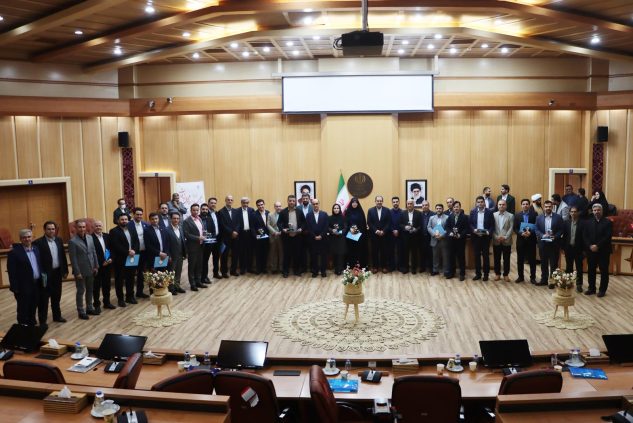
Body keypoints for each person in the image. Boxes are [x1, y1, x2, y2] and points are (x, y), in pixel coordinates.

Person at [7, 229, 46, 327]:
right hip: (23, 286)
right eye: (24, 237)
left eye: (29, 237)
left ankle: (32, 326)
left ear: (32, 238)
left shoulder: (36, 249)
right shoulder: (14, 253)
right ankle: (22, 328)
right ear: (20, 239)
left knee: (33, 306)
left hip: (36, 284)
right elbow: (12, 272)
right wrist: (15, 288)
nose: (27, 239)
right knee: (23, 309)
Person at [34, 221, 68, 323]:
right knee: (44, 299)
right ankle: (43, 320)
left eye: (53, 229)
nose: (51, 231)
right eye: (49, 229)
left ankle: (57, 316)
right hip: (45, 275)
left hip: (57, 273)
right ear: (44, 230)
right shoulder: (38, 242)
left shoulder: (59, 240)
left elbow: (62, 256)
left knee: (56, 296)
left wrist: (65, 270)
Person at [68, 219, 99, 320]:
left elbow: (93, 252)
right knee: (81, 291)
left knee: (90, 289)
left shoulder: (90, 237)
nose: (82, 229)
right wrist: (77, 272)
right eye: (80, 227)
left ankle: (89, 308)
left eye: (83, 227)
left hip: (91, 268)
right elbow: (73, 259)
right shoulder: (72, 241)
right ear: (76, 228)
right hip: (80, 271)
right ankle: (81, 311)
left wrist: (96, 266)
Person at [109, 213, 139, 306]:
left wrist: (134, 250)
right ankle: (120, 299)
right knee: (119, 280)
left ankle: (130, 297)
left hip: (132, 257)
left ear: (128, 220)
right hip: (120, 259)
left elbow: (136, 241)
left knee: (131, 278)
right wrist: (127, 252)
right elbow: (115, 245)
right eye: (122, 219)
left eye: (126, 219)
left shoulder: (132, 229)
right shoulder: (113, 231)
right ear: (118, 221)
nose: (124, 221)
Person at [583, 204, 612, 297]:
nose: (596, 212)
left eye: (598, 210)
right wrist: (590, 246)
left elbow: (607, 237)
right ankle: (591, 289)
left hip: (603, 251)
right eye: (595, 210)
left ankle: (602, 290)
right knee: (591, 270)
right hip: (591, 251)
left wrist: (597, 246)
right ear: (592, 211)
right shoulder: (588, 222)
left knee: (604, 271)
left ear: (602, 211)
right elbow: (585, 236)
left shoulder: (608, 222)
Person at [535, 200, 564, 286]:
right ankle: (544, 280)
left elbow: (561, 230)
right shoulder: (538, 217)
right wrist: (542, 235)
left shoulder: (558, 217)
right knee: (543, 263)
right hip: (543, 244)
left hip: (554, 244)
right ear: (544, 207)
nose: (548, 208)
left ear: (552, 207)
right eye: (546, 206)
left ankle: (552, 281)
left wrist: (555, 236)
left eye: (549, 207)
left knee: (553, 264)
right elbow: (536, 229)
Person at [278, 194, 306, 277]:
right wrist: (283, 229)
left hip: (297, 236)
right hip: (287, 237)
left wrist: (301, 228)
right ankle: (285, 271)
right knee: (286, 255)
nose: (292, 202)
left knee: (297, 254)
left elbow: (304, 222)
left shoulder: (299, 211)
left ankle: (296, 271)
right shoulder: (283, 212)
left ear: (295, 202)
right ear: (287, 201)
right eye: (290, 201)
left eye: (293, 201)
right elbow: (279, 223)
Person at [469, 196, 495, 281]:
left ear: (484, 203)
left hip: (485, 238)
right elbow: (470, 224)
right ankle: (478, 274)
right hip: (476, 237)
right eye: (478, 202)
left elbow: (492, 225)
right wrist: (474, 230)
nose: (480, 203)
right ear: (476, 203)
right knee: (476, 256)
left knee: (485, 256)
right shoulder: (473, 211)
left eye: (481, 202)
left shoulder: (489, 212)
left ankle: (486, 274)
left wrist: (488, 232)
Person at [91, 220, 115, 311]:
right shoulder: (90, 238)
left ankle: (107, 302)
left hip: (108, 264)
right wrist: (101, 262)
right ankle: (96, 305)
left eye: (100, 226)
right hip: (97, 266)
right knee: (96, 286)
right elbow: (91, 253)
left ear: (102, 226)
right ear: (93, 227)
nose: (98, 227)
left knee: (107, 285)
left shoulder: (107, 236)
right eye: (96, 226)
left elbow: (111, 249)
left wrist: (111, 258)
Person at [183, 203, 206, 291]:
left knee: (199, 265)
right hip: (192, 247)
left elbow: (202, 230)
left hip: (201, 245)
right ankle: (192, 284)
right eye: (194, 210)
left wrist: (204, 235)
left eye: (197, 210)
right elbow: (187, 234)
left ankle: (198, 281)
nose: (196, 212)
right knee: (192, 266)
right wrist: (198, 238)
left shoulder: (199, 219)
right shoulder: (187, 221)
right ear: (190, 211)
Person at [513, 199, 538, 283]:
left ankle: (533, 278)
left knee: (532, 260)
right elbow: (515, 228)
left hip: (531, 240)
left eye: (527, 204)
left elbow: (536, 226)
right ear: (521, 205)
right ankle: (520, 277)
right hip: (521, 240)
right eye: (523, 204)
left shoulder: (534, 214)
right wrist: (521, 233)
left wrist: (531, 232)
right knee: (520, 260)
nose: (525, 205)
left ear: (529, 205)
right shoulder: (517, 215)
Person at [128, 207, 150, 298]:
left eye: (141, 214)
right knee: (131, 274)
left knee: (141, 273)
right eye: (137, 214)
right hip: (133, 254)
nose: (139, 216)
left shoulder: (146, 224)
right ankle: (130, 295)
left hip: (143, 253)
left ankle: (140, 292)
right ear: (133, 215)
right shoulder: (128, 225)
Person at [445, 201, 469, 281]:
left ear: (460, 207)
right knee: (451, 257)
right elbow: (447, 227)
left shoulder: (465, 217)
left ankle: (462, 274)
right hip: (451, 240)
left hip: (460, 240)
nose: (456, 208)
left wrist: (460, 235)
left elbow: (466, 228)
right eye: (454, 207)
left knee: (461, 257)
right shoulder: (450, 216)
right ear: (453, 208)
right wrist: (450, 233)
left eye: (457, 207)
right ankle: (452, 272)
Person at [218, 195, 241, 277]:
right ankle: (224, 272)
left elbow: (238, 223)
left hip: (235, 236)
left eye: (231, 200)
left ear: (233, 201)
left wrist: (236, 231)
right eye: (228, 199)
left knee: (235, 254)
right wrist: (231, 232)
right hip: (226, 237)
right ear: (225, 201)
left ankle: (233, 270)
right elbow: (222, 225)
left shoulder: (236, 211)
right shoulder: (221, 212)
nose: (230, 201)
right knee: (224, 255)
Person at [367, 195, 391, 273]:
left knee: (384, 251)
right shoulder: (370, 210)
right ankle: (375, 267)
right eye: (378, 201)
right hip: (374, 235)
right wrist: (376, 231)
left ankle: (384, 267)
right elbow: (369, 222)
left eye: (380, 201)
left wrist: (383, 231)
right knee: (374, 252)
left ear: (382, 201)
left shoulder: (387, 210)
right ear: (375, 201)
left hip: (384, 235)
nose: (379, 202)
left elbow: (389, 222)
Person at [563, 206, 584, 293]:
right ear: (569, 213)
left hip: (579, 249)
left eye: (575, 211)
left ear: (578, 213)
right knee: (569, 267)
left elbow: (584, 237)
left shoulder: (583, 223)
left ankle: (579, 284)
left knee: (579, 268)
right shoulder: (566, 223)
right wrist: (563, 247)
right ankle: (569, 283)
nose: (573, 213)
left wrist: (584, 250)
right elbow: (564, 236)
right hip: (568, 248)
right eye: (571, 212)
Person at [305, 198, 329, 277]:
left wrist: (321, 235)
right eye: (314, 204)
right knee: (313, 256)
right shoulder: (308, 215)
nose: (315, 205)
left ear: (319, 204)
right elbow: (308, 227)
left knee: (323, 256)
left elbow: (326, 226)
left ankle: (323, 271)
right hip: (313, 239)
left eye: (316, 203)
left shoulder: (324, 214)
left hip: (323, 239)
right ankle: (315, 271)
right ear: (312, 205)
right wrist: (314, 236)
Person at [164, 212, 186, 294]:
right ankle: (171, 288)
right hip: (172, 255)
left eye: (177, 218)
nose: (176, 220)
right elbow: (165, 244)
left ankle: (177, 286)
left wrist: (185, 253)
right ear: (171, 219)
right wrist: (168, 255)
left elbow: (182, 241)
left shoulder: (180, 228)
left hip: (180, 254)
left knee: (178, 271)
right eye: (174, 218)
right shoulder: (167, 230)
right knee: (171, 272)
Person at [398, 199, 422, 274]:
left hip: (415, 236)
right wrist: (405, 227)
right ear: (406, 204)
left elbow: (421, 225)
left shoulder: (419, 213)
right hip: (405, 236)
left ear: (413, 204)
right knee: (405, 253)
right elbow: (400, 224)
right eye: (408, 204)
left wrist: (416, 229)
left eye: (411, 203)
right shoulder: (402, 213)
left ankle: (413, 268)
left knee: (414, 253)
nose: (409, 205)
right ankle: (406, 268)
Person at [492, 199, 514, 281]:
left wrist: (505, 237)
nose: (501, 206)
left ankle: (506, 274)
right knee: (496, 258)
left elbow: (511, 228)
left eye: (503, 204)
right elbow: (492, 227)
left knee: (506, 259)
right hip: (496, 240)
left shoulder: (510, 215)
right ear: (497, 205)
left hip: (506, 240)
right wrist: (496, 237)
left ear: (506, 206)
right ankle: (497, 274)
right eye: (500, 204)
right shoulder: (493, 215)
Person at [344, 197, 368, 268]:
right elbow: (345, 223)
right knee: (351, 250)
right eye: (353, 202)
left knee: (359, 250)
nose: (354, 204)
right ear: (351, 204)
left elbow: (363, 223)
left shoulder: (361, 212)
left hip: (359, 235)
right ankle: (351, 265)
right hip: (350, 235)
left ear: (358, 204)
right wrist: (351, 229)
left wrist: (358, 231)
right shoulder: (348, 212)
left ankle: (360, 265)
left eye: (356, 202)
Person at [427, 204, 449, 277]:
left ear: (443, 209)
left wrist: (442, 235)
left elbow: (448, 228)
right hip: (434, 239)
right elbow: (429, 227)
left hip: (443, 240)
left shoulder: (447, 217)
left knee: (445, 256)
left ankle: (446, 271)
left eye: (440, 208)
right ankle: (435, 270)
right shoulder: (431, 218)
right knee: (435, 256)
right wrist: (434, 234)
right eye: (437, 208)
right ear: (435, 209)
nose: (438, 210)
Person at [203, 198, 222, 280]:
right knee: (206, 258)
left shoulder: (217, 213)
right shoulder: (204, 214)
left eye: (214, 203)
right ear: (208, 204)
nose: (213, 204)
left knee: (216, 257)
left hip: (217, 239)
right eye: (211, 203)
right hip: (208, 239)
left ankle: (216, 273)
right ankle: (205, 276)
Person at [252, 199, 270, 274]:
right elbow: (252, 227)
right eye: (259, 205)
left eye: (262, 204)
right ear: (257, 206)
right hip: (258, 238)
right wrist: (255, 236)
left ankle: (264, 268)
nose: (260, 206)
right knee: (258, 254)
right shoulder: (254, 214)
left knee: (265, 253)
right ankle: (258, 269)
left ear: (264, 204)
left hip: (267, 237)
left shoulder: (268, 213)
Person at [328, 203, 347, 275]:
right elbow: (327, 227)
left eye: (337, 208)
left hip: (341, 238)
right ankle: (336, 268)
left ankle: (340, 269)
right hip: (333, 239)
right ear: (333, 209)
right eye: (335, 208)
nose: (336, 209)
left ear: (339, 209)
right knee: (335, 254)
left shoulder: (343, 217)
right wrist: (332, 230)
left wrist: (340, 232)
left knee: (340, 254)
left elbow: (345, 227)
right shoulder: (330, 218)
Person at [238, 197, 255, 274]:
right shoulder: (237, 211)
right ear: (241, 203)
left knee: (250, 251)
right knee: (241, 251)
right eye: (244, 203)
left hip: (250, 234)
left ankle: (249, 268)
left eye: (247, 203)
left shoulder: (251, 210)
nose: (245, 204)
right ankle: (242, 268)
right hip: (241, 234)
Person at [267, 201, 283, 274]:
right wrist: (274, 232)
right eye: (277, 206)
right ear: (274, 207)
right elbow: (268, 225)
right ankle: (273, 268)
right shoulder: (270, 214)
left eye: (279, 206)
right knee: (273, 253)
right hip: (273, 236)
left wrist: (281, 231)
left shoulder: (284, 214)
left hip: (282, 236)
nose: (278, 207)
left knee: (281, 252)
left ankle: (281, 268)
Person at [389, 197, 403, 273]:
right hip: (391, 235)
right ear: (392, 203)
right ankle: (392, 266)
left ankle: (400, 266)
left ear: (399, 202)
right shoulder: (389, 212)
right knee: (391, 251)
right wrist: (393, 230)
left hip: (400, 235)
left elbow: (403, 223)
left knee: (400, 251)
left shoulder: (403, 212)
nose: (395, 203)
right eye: (394, 202)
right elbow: (388, 223)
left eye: (396, 201)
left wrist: (398, 230)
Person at [418, 200, 433, 273]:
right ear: (422, 206)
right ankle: (422, 267)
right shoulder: (419, 214)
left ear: (428, 206)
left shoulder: (433, 214)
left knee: (431, 253)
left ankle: (431, 268)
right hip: (421, 237)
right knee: (422, 253)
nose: (424, 206)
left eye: (426, 205)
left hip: (430, 237)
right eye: (423, 205)